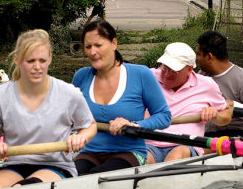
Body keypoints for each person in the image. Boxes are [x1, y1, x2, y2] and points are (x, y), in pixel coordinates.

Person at [0, 29, 97, 189]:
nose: (37, 67)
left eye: (42, 60)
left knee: (21, 188)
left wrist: (80, 137)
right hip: (15, 165)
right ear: (17, 60)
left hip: (56, 166)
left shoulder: (69, 93)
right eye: (30, 61)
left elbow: (90, 126)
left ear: (50, 59)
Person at [72, 20, 171, 174]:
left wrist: (134, 125)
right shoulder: (81, 77)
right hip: (90, 152)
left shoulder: (140, 74)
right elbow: (69, 118)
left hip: (129, 152)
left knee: (97, 176)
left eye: (98, 45)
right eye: (88, 47)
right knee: (72, 176)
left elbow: (164, 116)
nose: (92, 52)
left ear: (114, 43)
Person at [146, 42, 232, 164]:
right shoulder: (148, 77)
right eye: (164, 68)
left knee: (178, 154)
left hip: (185, 144)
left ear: (190, 69)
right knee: (144, 158)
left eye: (173, 71)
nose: (166, 75)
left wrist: (215, 115)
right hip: (149, 144)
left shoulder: (207, 85)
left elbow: (226, 116)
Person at [195, 30, 243, 143]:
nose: (196, 58)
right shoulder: (201, 75)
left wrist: (231, 105)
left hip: (238, 135)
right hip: (206, 135)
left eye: (198, 54)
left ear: (209, 56)